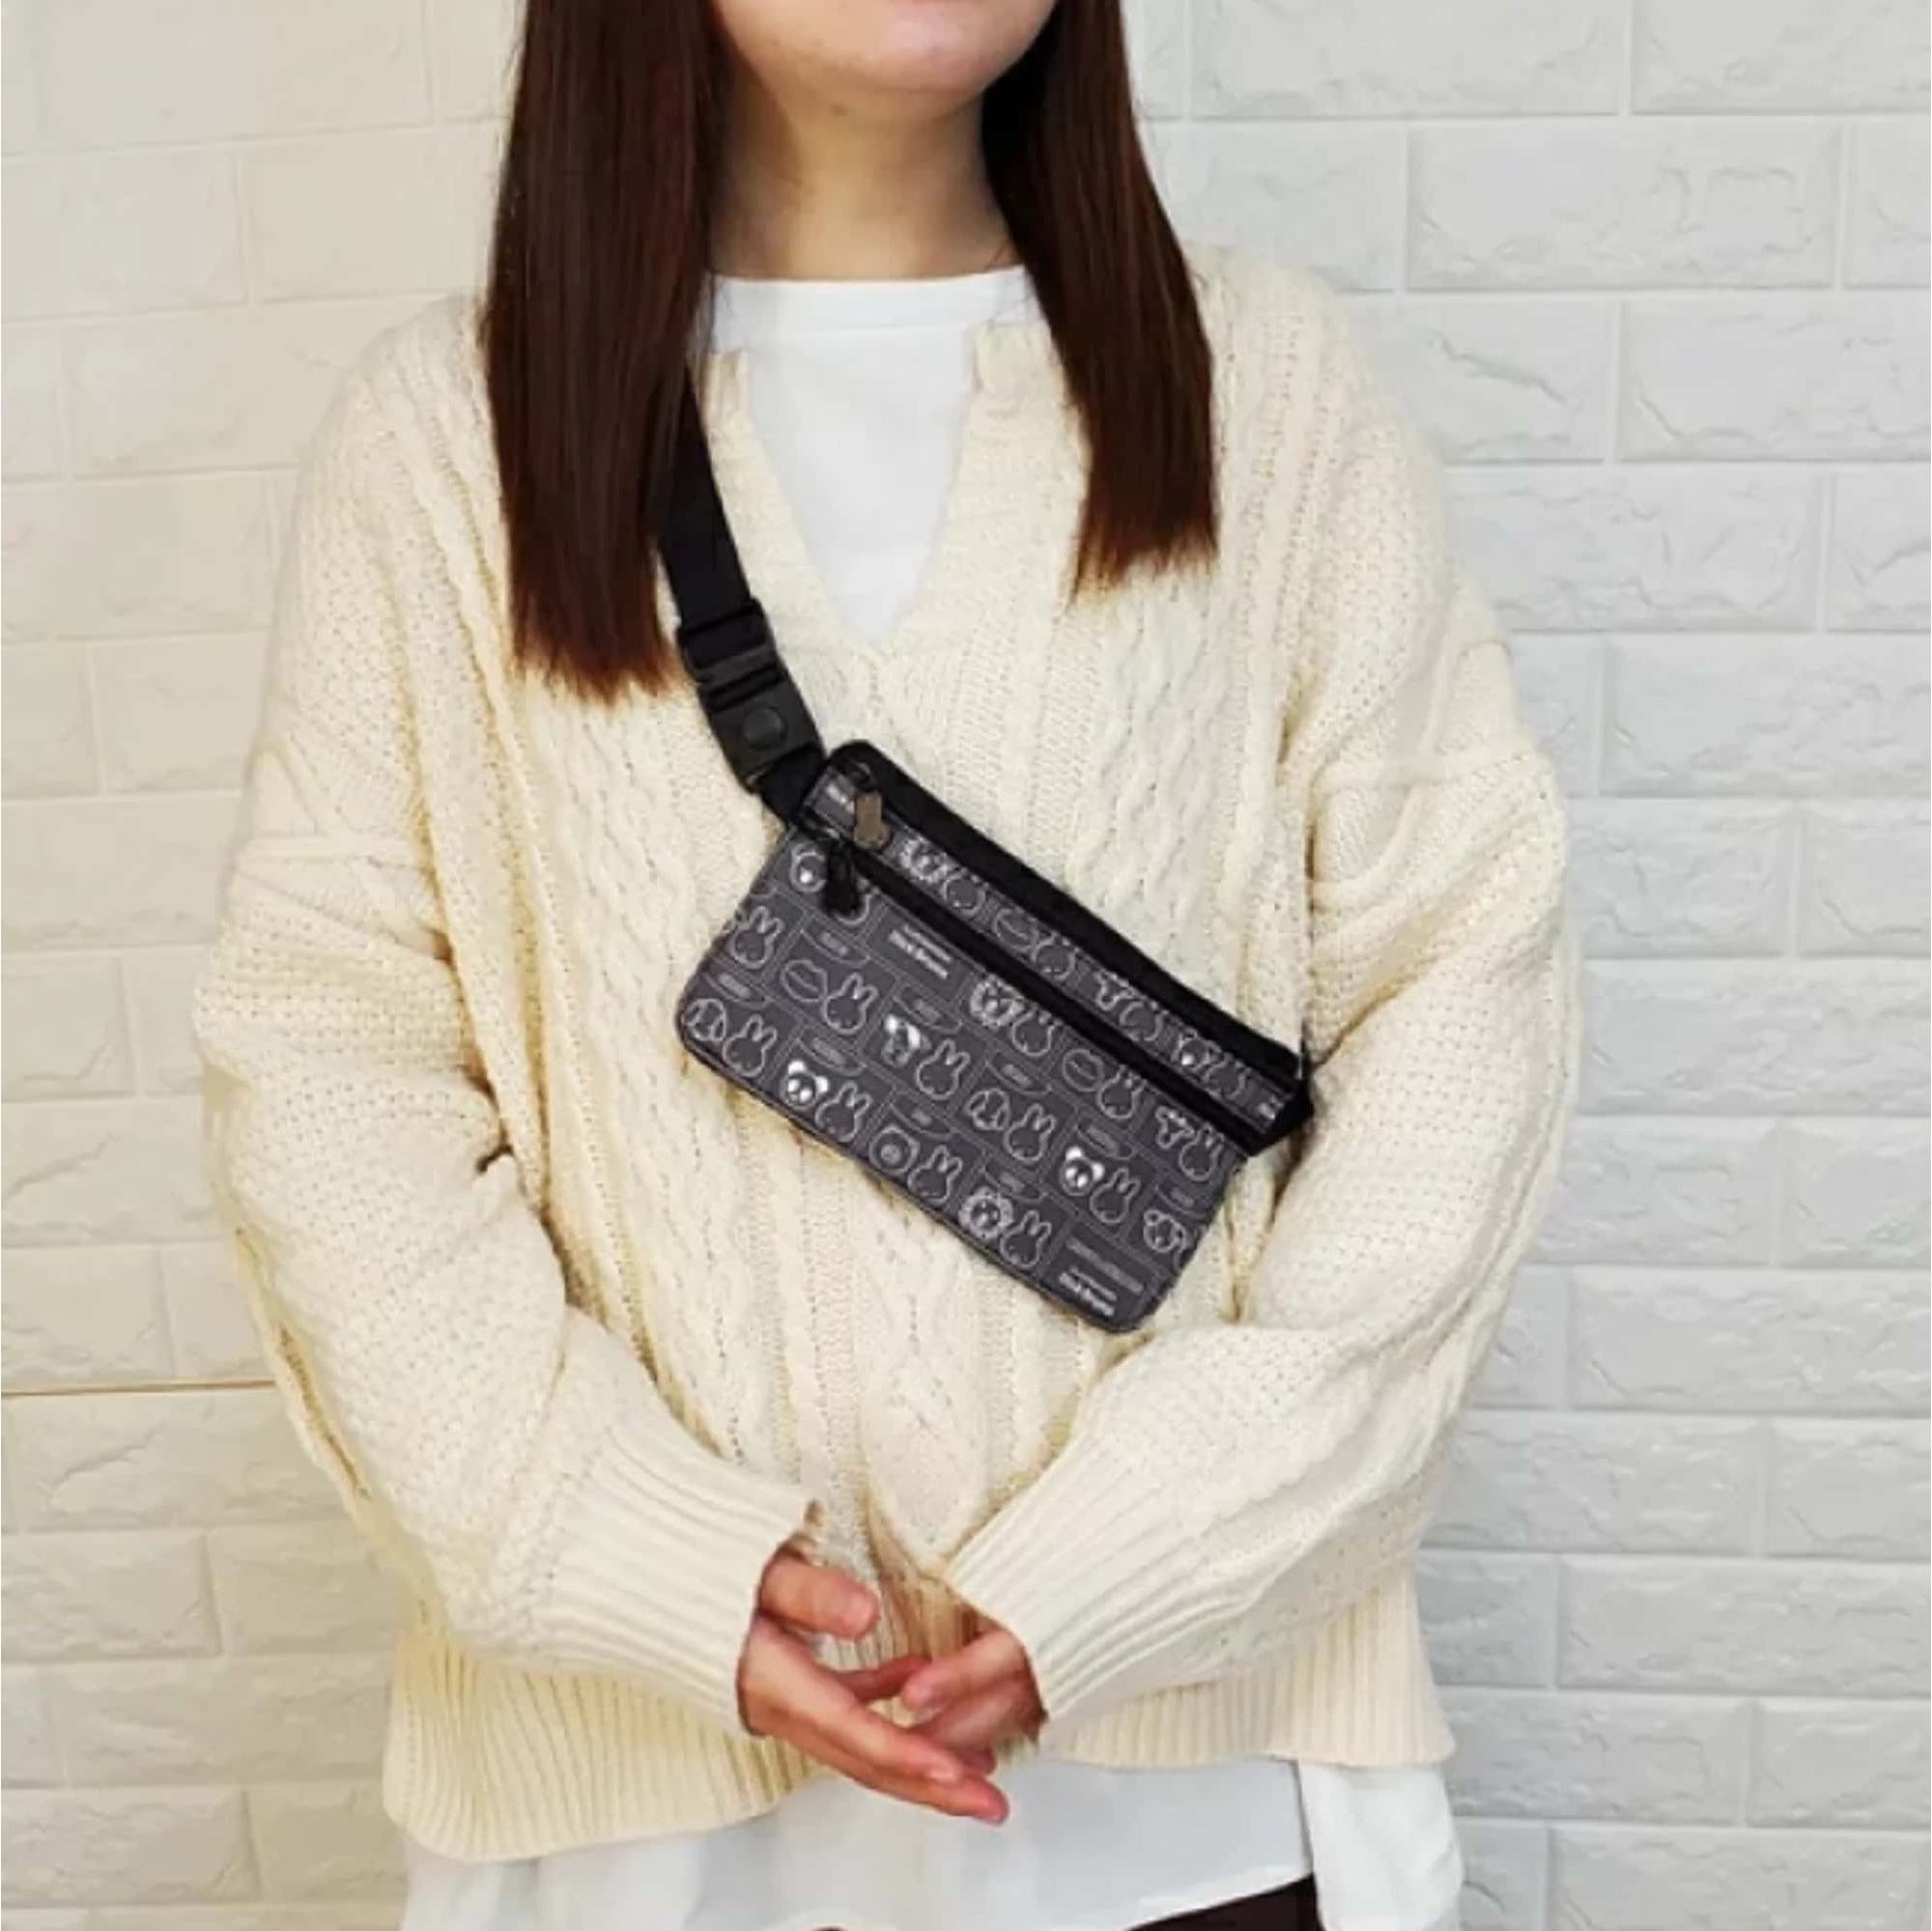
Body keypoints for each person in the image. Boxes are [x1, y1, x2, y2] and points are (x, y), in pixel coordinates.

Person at [188, 0, 1582, 1926]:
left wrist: (1157, 1543)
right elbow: (328, 1068)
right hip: (633, 1837)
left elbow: (1459, 978)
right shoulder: (446, 442)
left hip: (1206, 1805)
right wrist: (621, 1549)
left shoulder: (1261, 387)